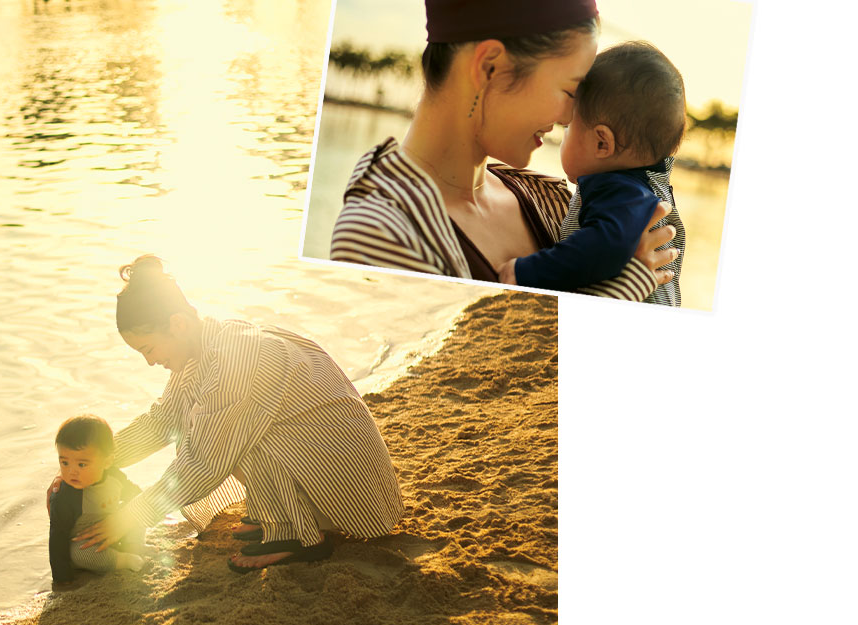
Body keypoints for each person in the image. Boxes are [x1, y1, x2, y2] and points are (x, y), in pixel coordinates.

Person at [52, 255, 403, 573]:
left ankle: (297, 534)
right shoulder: (203, 349)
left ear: (178, 324)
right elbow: (161, 422)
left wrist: (128, 518)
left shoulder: (233, 358)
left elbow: (203, 462)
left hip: (350, 485)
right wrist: (88, 462)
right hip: (326, 462)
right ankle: (282, 513)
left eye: (149, 348)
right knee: (206, 425)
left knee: (224, 438)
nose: (150, 361)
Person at [328, 0, 680, 301]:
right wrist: (630, 285)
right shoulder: (379, 234)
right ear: (489, 66)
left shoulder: (548, 197)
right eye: (570, 92)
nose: (569, 118)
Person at [498, 41, 686, 307]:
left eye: (568, 127)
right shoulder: (639, 190)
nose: (561, 132)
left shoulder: (620, 191)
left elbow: (603, 248)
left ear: (601, 143)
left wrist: (525, 273)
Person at [47, 415, 146, 587]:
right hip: (85, 543)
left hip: (114, 530)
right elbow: (57, 537)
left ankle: (133, 547)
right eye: (64, 462)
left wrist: (127, 516)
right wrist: (61, 578)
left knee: (137, 510)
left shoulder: (114, 478)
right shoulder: (65, 496)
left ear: (107, 462)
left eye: (81, 465)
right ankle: (121, 560)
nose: (71, 472)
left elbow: (136, 495)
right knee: (77, 553)